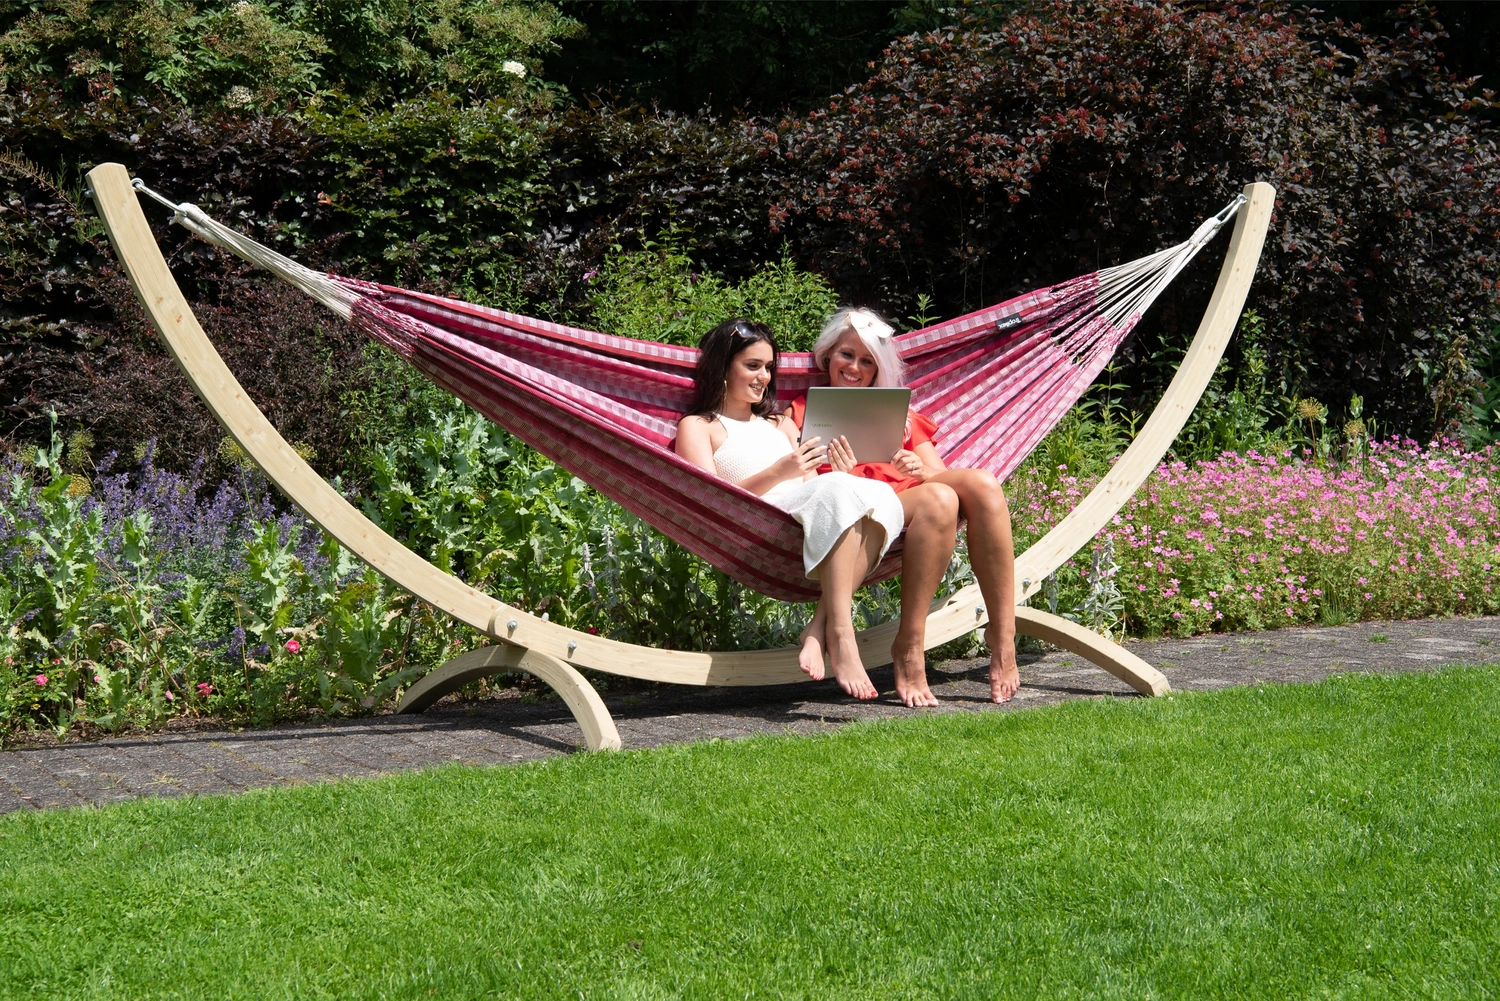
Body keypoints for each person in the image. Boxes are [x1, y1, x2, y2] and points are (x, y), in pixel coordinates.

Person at [786, 308, 1021, 706]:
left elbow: (938, 473)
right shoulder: (804, 413)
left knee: (983, 484)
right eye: (847, 355)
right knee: (941, 499)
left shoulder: (901, 414)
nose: (854, 368)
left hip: (910, 494)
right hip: (867, 511)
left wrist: (919, 468)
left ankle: (1003, 636)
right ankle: (910, 646)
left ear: (879, 368)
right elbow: (805, 489)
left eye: (867, 361)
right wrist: (841, 476)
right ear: (828, 356)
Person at [674, 318, 906, 701]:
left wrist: (842, 473)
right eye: (752, 365)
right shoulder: (699, 426)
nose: (764, 377)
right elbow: (710, 499)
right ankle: (841, 635)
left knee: (879, 495)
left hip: (808, 515)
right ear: (722, 367)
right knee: (843, 489)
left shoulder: (780, 423)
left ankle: (818, 630)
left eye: (768, 367)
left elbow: (814, 482)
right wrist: (779, 471)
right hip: (761, 522)